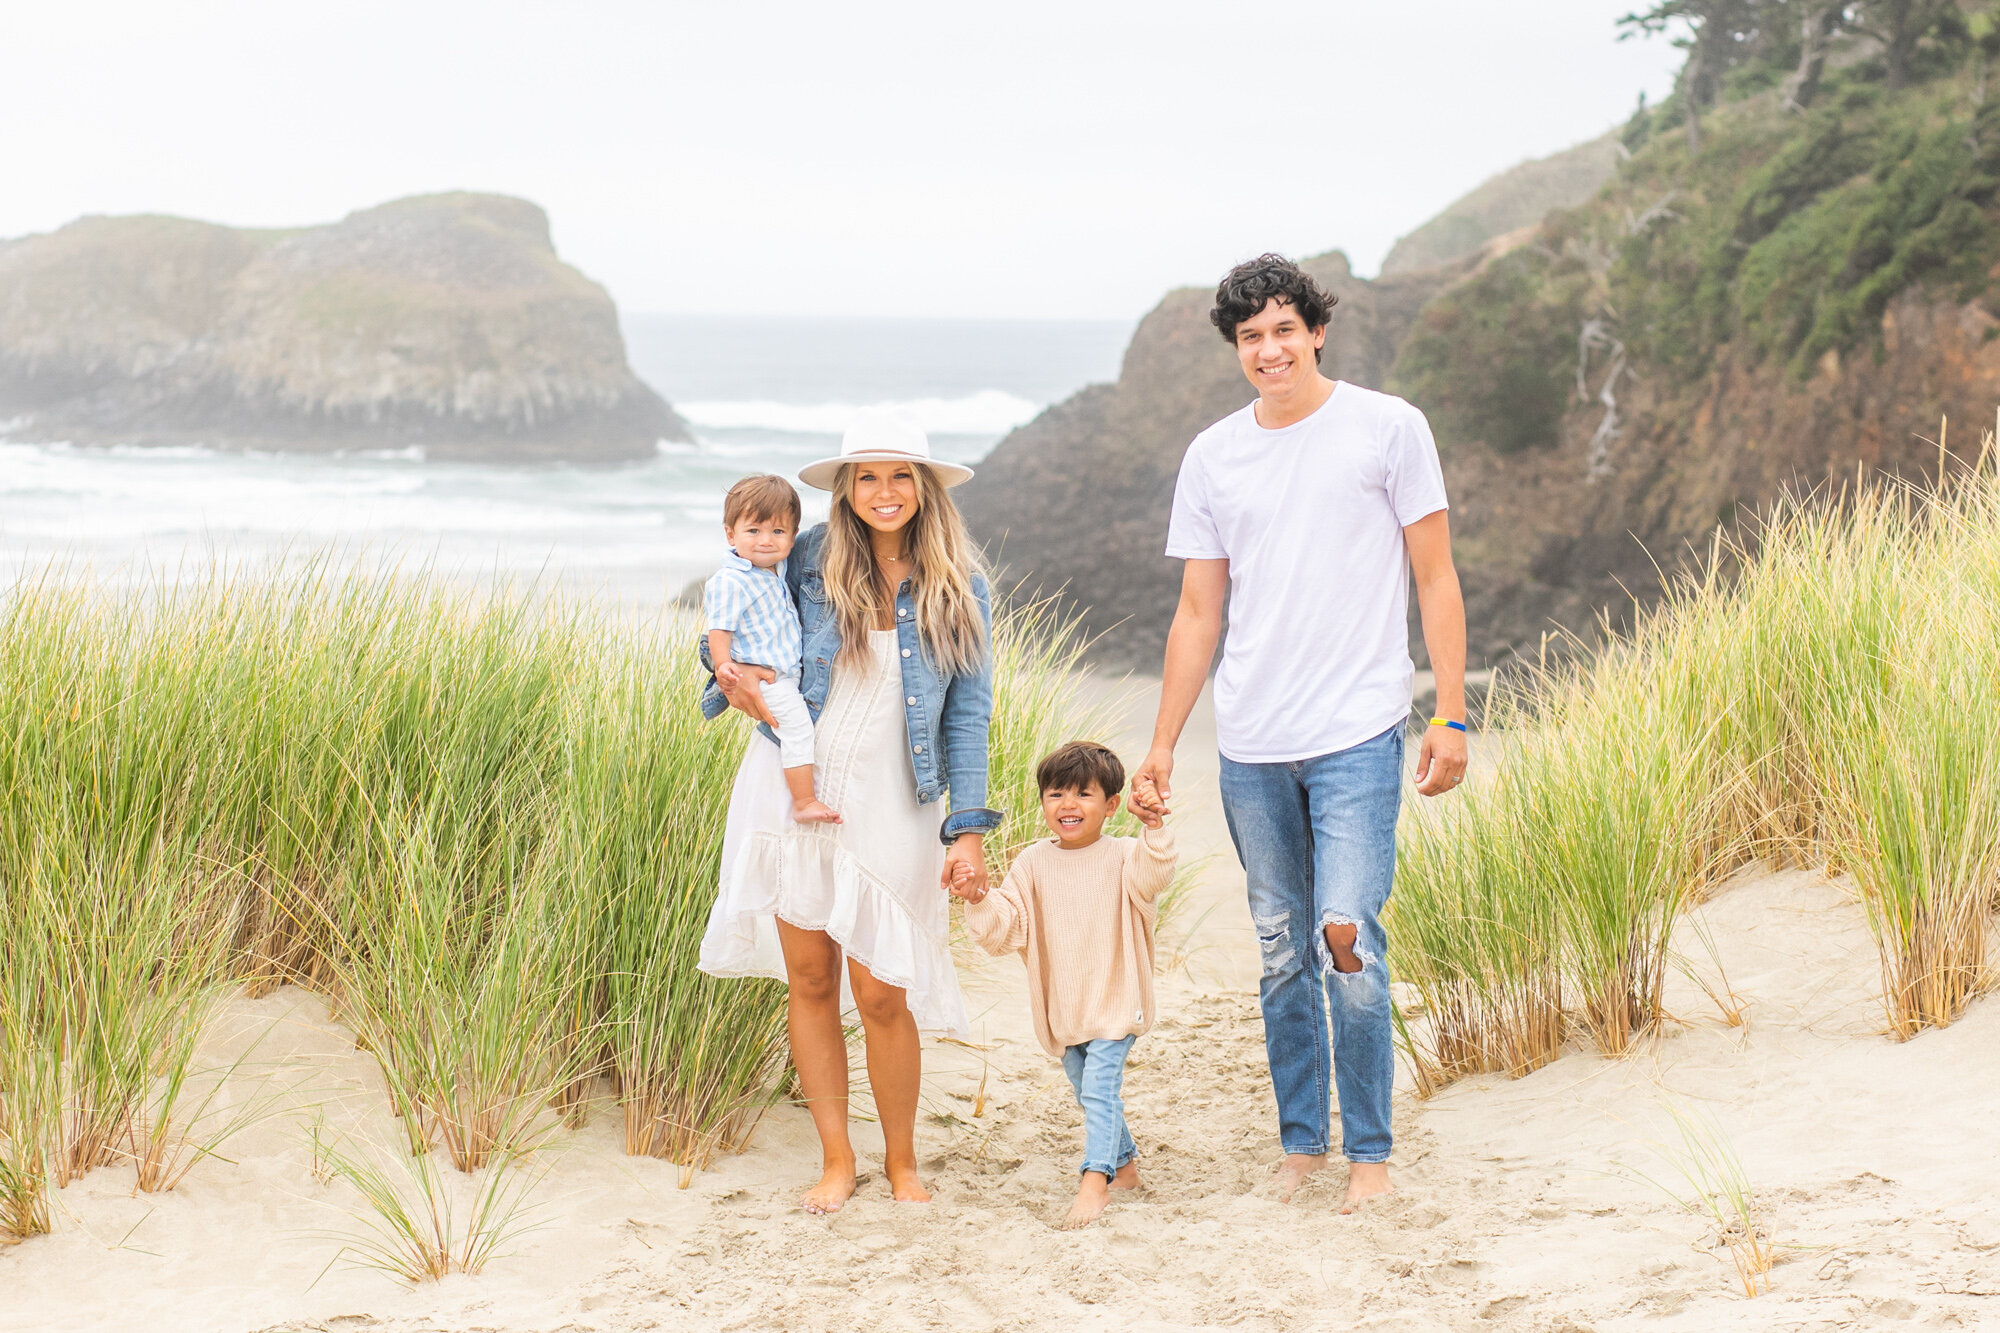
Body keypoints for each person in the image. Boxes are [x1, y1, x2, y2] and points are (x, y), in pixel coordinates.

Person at [1128, 254, 1469, 1215]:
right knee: (1282, 948)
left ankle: (1371, 1154)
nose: (1269, 350)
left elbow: (1436, 576)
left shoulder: (1389, 427)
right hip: (1251, 743)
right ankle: (1302, 1144)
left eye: (1284, 329)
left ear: (1317, 331)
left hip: (1359, 729)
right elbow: (1199, 612)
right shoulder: (1213, 456)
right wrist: (1162, 743)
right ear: (1236, 349)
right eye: (1251, 337)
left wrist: (1449, 712)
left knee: (1345, 936)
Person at [697, 408, 1002, 1215]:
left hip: (895, 801)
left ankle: (902, 1163)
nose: (884, 490)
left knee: (882, 993)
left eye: (901, 475)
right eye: (867, 476)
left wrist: (968, 829)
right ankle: (837, 1160)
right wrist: (733, 681)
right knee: (808, 979)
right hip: (792, 786)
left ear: (926, 487)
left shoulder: (960, 587)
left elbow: (969, 716)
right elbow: (727, 620)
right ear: (846, 488)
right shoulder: (806, 556)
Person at [954, 740, 1176, 1230]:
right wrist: (977, 897)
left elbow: (1156, 873)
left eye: (1083, 794)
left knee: (1098, 1090)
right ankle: (1126, 1168)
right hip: (1064, 1008)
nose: (1068, 805)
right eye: (1056, 794)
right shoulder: (1032, 863)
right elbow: (1005, 926)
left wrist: (1154, 827)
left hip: (1116, 1000)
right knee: (1086, 1090)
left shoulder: (1124, 856)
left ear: (1111, 805)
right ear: (1043, 802)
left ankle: (1095, 1181)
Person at [704, 473, 839, 825]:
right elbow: (718, 629)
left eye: (778, 532)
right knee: (797, 729)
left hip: (786, 674)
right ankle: (804, 801)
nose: (766, 541)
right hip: (768, 679)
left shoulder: (776, 569)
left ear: (793, 537)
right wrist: (723, 665)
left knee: (797, 728)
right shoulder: (731, 580)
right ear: (730, 534)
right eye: (753, 531)